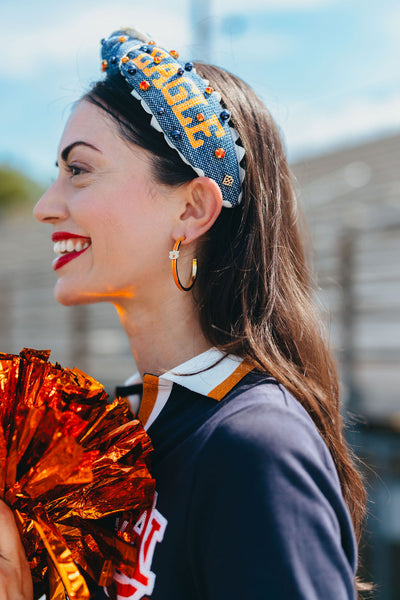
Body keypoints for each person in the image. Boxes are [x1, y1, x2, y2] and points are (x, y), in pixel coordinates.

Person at [1, 27, 367, 599]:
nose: (47, 206)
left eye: (79, 169)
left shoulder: (256, 447)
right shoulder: (117, 433)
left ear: (193, 208)